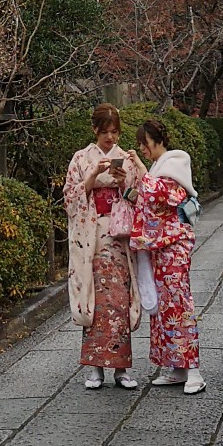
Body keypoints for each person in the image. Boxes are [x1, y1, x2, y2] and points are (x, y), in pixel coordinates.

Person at [63, 104, 147, 390]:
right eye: (105, 132)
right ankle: (96, 368)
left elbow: (141, 199)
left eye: (115, 132)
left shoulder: (127, 158)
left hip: (119, 236)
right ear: (94, 131)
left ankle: (121, 368)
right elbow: (70, 199)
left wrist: (125, 185)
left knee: (119, 299)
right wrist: (91, 178)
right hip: (94, 236)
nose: (110, 138)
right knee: (96, 299)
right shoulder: (81, 158)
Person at [131, 118, 204, 393]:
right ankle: (175, 367)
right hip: (159, 246)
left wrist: (140, 169)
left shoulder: (175, 162)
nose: (142, 147)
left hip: (174, 244)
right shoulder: (157, 168)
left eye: (143, 142)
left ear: (155, 140)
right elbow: (146, 196)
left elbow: (164, 195)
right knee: (162, 307)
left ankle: (194, 369)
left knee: (179, 303)